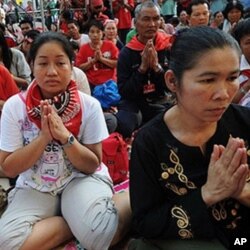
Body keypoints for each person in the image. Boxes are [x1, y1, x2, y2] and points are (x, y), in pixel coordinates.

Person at [0, 31, 131, 250]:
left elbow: (91, 164)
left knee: (101, 236)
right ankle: (73, 222)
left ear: (72, 66)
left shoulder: (88, 105)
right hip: (36, 185)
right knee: (6, 242)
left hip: (80, 179)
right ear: (31, 65)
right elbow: (9, 168)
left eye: (61, 63)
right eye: (42, 63)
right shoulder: (15, 107)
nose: (52, 72)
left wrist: (65, 137)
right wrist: (43, 138)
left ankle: (127, 197)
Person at [129, 26, 250, 250]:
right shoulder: (150, 142)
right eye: (207, 80)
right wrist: (207, 194)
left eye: (232, 77)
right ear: (173, 81)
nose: (223, 94)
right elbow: (146, 221)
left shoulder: (245, 122)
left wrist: (241, 191)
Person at [115, 0, 172, 139]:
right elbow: (124, 91)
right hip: (134, 102)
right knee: (125, 125)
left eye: (156, 19)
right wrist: (142, 69)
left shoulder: (169, 46)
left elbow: (173, 86)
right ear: (135, 22)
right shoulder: (127, 53)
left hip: (161, 101)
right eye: (146, 19)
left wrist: (157, 68)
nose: (152, 24)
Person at [232, 18, 250, 106]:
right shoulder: (232, 68)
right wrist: (247, 86)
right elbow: (227, 103)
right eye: (248, 42)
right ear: (239, 46)